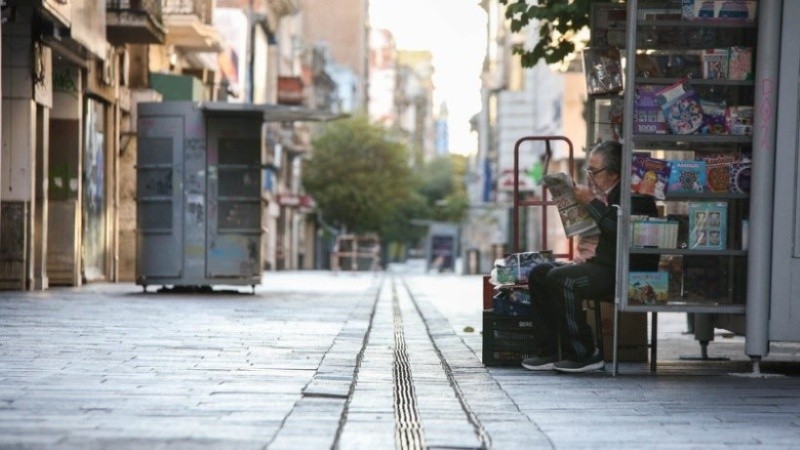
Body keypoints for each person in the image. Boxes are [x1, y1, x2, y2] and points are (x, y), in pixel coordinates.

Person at [522, 141, 658, 373]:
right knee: (539, 273)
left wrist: (591, 203)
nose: (591, 177)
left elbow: (621, 229)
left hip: (623, 270)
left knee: (563, 279)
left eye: (595, 172)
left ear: (614, 173)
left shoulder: (636, 196)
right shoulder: (607, 194)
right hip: (602, 263)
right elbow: (601, 229)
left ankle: (584, 353)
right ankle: (551, 350)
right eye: (589, 171)